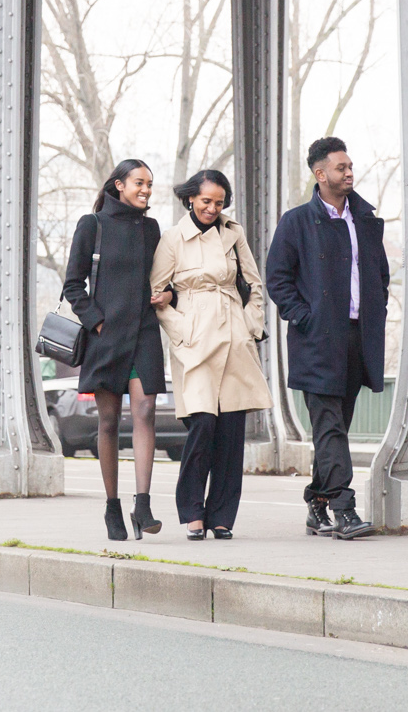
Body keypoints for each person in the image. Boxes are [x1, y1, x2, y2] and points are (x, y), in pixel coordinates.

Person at [266, 138, 387, 540]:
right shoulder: (297, 221)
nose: (349, 173)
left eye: (351, 166)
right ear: (321, 175)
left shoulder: (365, 220)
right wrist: (305, 318)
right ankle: (344, 510)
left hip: (357, 337)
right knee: (330, 426)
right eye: (341, 168)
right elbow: (277, 279)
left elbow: (380, 277)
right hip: (316, 341)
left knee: (336, 428)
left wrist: (376, 312)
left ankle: (317, 502)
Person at [152, 169, 268, 540]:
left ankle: (222, 517)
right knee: (202, 425)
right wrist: (182, 332)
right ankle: (191, 511)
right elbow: (156, 295)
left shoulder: (233, 233)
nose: (212, 208)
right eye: (206, 201)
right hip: (196, 339)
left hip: (234, 335)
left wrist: (252, 326)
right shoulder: (172, 238)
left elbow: (253, 283)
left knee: (232, 432)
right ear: (190, 199)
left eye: (219, 202)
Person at [62, 158, 168, 542]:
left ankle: (143, 504)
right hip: (105, 337)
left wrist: (167, 294)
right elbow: (73, 285)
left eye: (150, 185)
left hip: (144, 333)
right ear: (119, 185)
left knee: (146, 410)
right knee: (108, 423)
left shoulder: (152, 228)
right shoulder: (93, 225)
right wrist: (97, 321)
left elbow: (165, 277)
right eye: (139, 183)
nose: (146, 190)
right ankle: (112, 506)